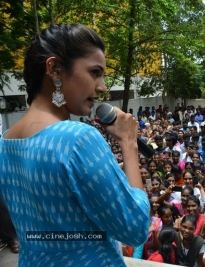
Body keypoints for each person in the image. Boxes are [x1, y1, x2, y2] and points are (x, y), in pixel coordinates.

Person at [0, 24, 150, 266]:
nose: (102, 87)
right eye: (94, 72)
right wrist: (129, 143)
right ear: (54, 69)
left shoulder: (4, 142)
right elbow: (135, 229)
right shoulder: (78, 139)